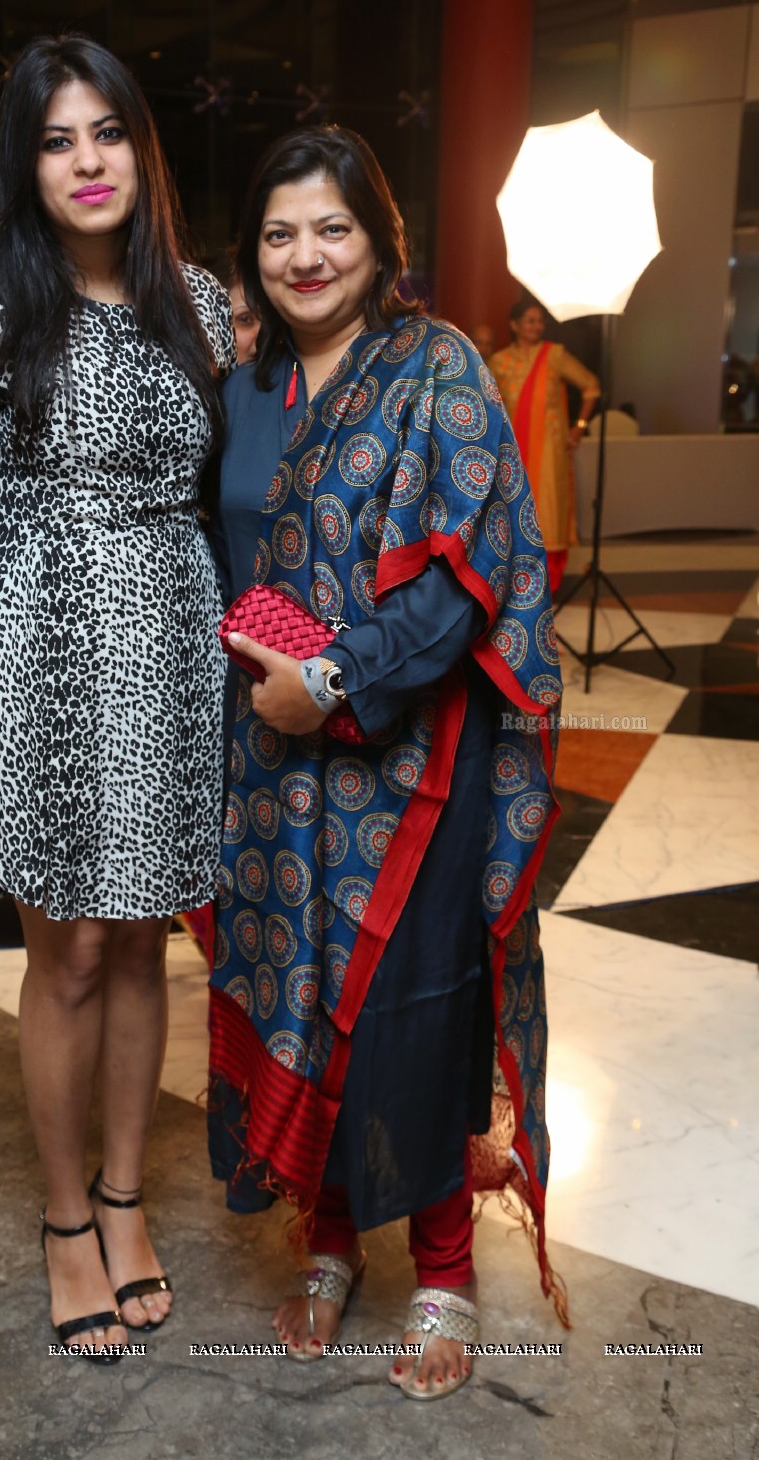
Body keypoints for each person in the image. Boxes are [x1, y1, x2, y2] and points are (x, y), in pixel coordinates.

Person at [0, 33, 234, 1356]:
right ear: (23, 168)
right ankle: (62, 1221)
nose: (88, 162)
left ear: (140, 148)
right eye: (55, 139)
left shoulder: (198, 301)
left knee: (146, 935)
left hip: (172, 643)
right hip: (36, 651)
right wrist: (20, 576)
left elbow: (227, 476)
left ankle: (127, 1198)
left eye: (107, 133)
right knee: (70, 951)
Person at [207, 126, 566, 1403]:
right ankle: (321, 1233)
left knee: (414, 1009)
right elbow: (223, 560)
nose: (306, 256)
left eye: (332, 228)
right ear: (252, 254)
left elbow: (471, 582)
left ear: (379, 240)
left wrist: (339, 681)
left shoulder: (437, 370)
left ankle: (443, 1261)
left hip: (410, 764)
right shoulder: (242, 388)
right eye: (279, 233)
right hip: (271, 759)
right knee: (301, 979)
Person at [489, 295, 600, 597]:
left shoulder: (554, 355)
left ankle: (548, 586)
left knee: (548, 513)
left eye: (540, 321)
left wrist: (578, 427)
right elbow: (489, 405)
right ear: (514, 325)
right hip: (513, 451)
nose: (538, 326)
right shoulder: (499, 361)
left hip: (550, 451)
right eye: (531, 321)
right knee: (514, 513)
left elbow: (591, 385)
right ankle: (514, 587)